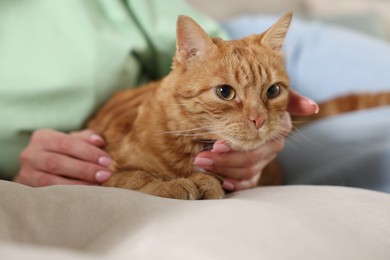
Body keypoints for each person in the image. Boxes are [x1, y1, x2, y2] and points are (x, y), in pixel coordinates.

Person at [0, 0, 318, 191]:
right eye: (226, 93)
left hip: (231, 40)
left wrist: (270, 92)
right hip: (152, 115)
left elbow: (203, 40)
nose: (256, 116)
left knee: (361, 128)